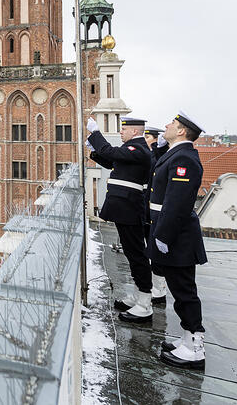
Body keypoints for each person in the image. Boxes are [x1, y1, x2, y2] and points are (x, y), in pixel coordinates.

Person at [149, 111, 208, 369]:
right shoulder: (176, 154)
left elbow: (177, 203)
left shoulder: (185, 158)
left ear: (182, 131)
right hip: (173, 235)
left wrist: (163, 235)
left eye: (172, 124)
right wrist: (160, 150)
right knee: (179, 290)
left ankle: (195, 347)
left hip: (177, 237)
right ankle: (186, 338)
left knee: (185, 293)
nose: (166, 125)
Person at [86, 116, 155, 323]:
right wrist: (93, 150)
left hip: (130, 209)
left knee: (136, 254)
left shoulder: (138, 149)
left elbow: (112, 153)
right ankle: (138, 296)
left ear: (134, 132)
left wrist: (96, 134)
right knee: (132, 252)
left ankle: (145, 303)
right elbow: (111, 160)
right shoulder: (132, 150)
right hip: (125, 208)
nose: (121, 133)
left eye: (124, 130)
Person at [143, 125, 169, 306]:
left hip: (156, 210)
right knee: (151, 248)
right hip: (148, 207)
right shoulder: (153, 154)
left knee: (156, 252)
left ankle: (159, 290)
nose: (144, 141)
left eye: (147, 137)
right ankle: (157, 286)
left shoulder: (157, 155)